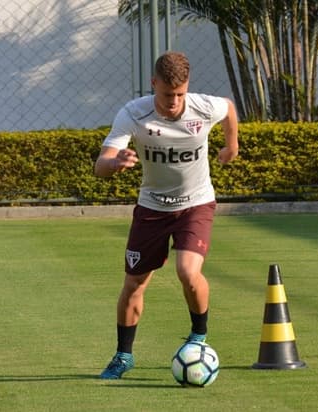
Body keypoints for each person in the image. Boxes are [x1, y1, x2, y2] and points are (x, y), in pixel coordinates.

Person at [94, 51, 239, 379]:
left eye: (180, 94)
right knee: (134, 283)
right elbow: (100, 166)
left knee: (188, 272)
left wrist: (232, 146)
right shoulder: (133, 114)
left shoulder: (202, 107)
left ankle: (198, 337)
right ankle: (122, 356)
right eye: (166, 94)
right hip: (152, 207)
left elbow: (228, 109)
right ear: (153, 84)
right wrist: (114, 164)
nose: (174, 102)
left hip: (196, 203)